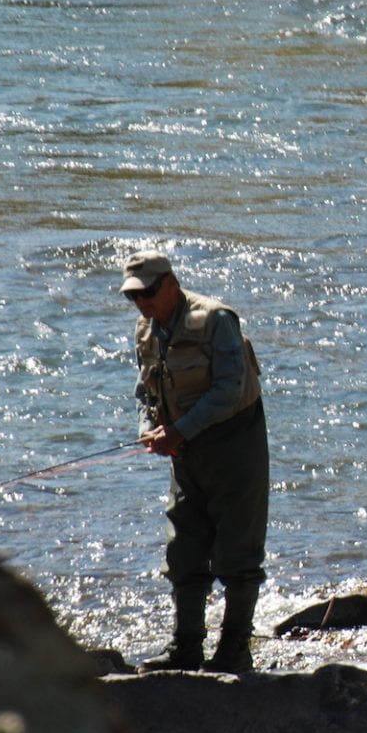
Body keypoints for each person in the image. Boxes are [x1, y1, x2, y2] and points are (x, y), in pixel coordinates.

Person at [120, 250, 269, 674]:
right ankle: (186, 647)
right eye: (133, 297)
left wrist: (179, 430)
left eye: (147, 293)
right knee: (183, 549)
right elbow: (143, 391)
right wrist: (150, 427)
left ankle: (235, 649)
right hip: (184, 450)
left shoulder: (216, 320)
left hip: (234, 444)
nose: (141, 303)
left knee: (237, 552)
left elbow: (227, 390)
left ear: (170, 283)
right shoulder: (146, 328)